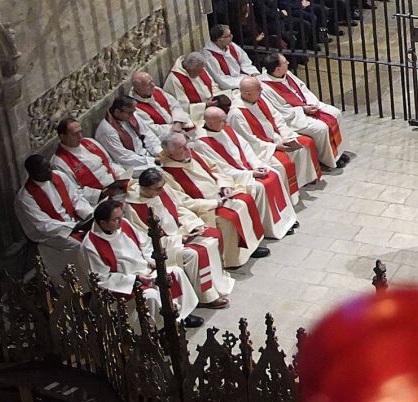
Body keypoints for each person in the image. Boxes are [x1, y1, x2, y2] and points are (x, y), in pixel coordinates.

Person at [78, 198, 203, 328]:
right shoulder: (91, 246)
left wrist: (153, 262)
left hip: (146, 271)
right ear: (103, 223)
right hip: (124, 286)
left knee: (176, 273)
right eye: (116, 219)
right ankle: (162, 328)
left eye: (121, 217)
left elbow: (145, 244)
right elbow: (101, 279)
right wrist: (137, 278)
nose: (121, 221)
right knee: (151, 295)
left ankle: (181, 316)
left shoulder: (124, 225)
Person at [158, 130, 273, 261]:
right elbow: (183, 202)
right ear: (169, 152)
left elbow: (215, 169)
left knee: (245, 200)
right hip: (206, 209)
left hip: (221, 194)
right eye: (181, 148)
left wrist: (224, 185)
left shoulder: (193, 154)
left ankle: (251, 246)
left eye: (186, 144)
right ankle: (233, 258)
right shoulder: (167, 173)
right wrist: (214, 203)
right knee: (230, 217)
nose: (187, 149)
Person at [126, 167, 231, 309]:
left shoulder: (161, 191)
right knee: (192, 254)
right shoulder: (132, 207)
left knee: (211, 241)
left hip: (180, 232)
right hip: (163, 247)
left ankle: (215, 285)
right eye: (157, 189)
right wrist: (178, 239)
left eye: (162, 186)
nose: (162, 191)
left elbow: (179, 207)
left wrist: (193, 225)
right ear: (144, 188)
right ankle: (205, 297)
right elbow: (144, 239)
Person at [195, 103, 300, 233]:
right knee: (260, 187)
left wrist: (257, 165)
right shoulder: (201, 143)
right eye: (221, 121)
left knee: (274, 173)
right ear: (210, 124)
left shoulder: (225, 129)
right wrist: (251, 174)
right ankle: (269, 228)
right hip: (235, 178)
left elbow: (246, 148)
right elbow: (221, 169)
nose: (226, 122)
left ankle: (285, 219)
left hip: (248, 169)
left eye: (225, 118)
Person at [257, 50, 350, 168]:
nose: (289, 63)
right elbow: (280, 111)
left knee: (335, 113)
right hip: (294, 116)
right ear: (277, 69)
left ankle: (339, 153)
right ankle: (327, 160)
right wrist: (303, 110)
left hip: (306, 104)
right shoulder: (265, 87)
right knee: (320, 128)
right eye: (285, 62)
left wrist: (311, 103)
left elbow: (302, 88)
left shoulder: (286, 74)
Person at [230, 76, 323, 188]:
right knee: (282, 164)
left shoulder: (259, 98)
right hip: (262, 147)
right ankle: (292, 187)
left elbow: (276, 116)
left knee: (304, 145)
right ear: (247, 93)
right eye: (258, 89)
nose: (262, 91)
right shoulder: (237, 113)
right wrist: (275, 146)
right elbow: (248, 140)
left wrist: (284, 135)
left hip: (276, 136)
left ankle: (303, 180)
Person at [15, 153, 92, 280]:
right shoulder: (25, 197)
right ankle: (86, 284)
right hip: (49, 234)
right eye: (44, 170)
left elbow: (76, 198)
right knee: (80, 246)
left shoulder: (59, 177)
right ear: (33, 173)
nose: (50, 172)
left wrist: (88, 215)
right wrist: (74, 227)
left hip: (73, 221)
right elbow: (43, 225)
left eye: (49, 167)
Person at [53, 116, 127, 190]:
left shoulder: (89, 142)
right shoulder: (60, 162)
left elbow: (110, 163)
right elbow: (74, 191)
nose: (80, 137)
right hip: (100, 196)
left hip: (116, 182)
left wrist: (121, 176)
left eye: (80, 132)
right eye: (75, 134)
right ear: (63, 137)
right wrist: (101, 194)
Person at [93, 96, 159, 177]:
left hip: (145, 155)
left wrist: (158, 152)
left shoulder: (130, 115)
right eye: (130, 113)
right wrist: (153, 160)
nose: (133, 115)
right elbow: (123, 157)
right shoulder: (107, 131)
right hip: (130, 164)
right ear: (117, 112)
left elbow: (147, 134)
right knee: (158, 173)